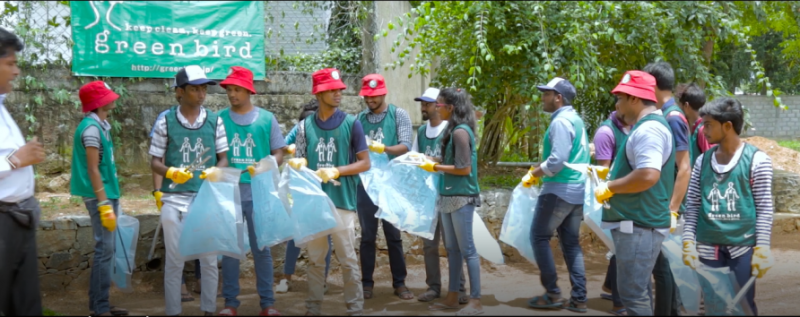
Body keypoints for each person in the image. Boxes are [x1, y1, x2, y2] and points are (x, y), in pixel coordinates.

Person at [682, 97, 774, 316]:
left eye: (708, 124)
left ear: (728, 126)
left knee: (742, 306)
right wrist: (687, 241)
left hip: (742, 248)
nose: (703, 130)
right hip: (707, 247)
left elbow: (764, 208)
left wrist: (762, 248)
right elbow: (693, 205)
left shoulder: (757, 161)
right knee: (714, 306)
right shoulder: (702, 162)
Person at [288, 67, 369, 316]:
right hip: (314, 204)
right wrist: (295, 161)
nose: (337, 93)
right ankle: (313, 308)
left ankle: (355, 309)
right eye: (331, 89)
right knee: (315, 261)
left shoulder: (351, 123)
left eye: (339, 89)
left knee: (348, 260)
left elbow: (365, 163)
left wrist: (337, 170)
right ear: (318, 93)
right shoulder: (304, 128)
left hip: (343, 202)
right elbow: (292, 154)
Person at [149, 65, 229, 316]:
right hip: (173, 198)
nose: (201, 94)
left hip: (205, 197)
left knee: (208, 259)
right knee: (175, 258)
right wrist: (169, 174)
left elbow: (223, 158)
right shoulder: (166, 120)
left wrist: (216, 171)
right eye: (195, 89)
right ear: (179, 92)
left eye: (204, 88)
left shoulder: (215, 120)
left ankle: (208, 310)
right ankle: (173, 311)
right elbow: (155, 161)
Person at [594, 70, 675, 316]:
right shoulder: (647, 127)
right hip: (639, 224)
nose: (617, 105)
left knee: (633, 294)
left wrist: (610, 187)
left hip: (639, 225)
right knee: (636, 292)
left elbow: (648, 175)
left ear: (634, 99)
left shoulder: (648, 130)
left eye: (619, 98)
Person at [216, 66, 286, 316]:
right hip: (230, 191)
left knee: (262, 248)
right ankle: (230, 303)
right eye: (229, 90)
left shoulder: (267, 119)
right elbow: (217, 155)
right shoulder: (219, 118)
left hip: (259, 191)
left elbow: (279, 152)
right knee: (231, 249)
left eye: (236, 89)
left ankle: (268, 303)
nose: (231, 94)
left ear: (248, 91)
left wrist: (267, 164)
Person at [522, 78, 590, 313]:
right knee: (570, 244)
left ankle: (553, 294)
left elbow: (558, 160)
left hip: (559, 190)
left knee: (539, 237)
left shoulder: (561, 121)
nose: (543, 98)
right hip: (577, 191)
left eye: (546, 94)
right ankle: (579, 298)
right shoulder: (576, 119)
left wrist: (536, 172)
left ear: (558, 97)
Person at [417, 88, 483, 316]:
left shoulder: (460, 133)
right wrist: (426, 159)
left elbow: (463, 168)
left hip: (461, 197)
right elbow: (450, 160)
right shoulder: (453, 130)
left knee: (468, 251)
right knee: (453, 250)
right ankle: (452, 296)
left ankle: (475, 301)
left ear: (450, 108)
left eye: (439, 104)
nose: (436, 107)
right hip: (447, 197)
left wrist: (434, 167)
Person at [69, 80, 130, 317]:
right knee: (105, 250)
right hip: (99, 197)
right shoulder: (92, 129)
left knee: (105, 250)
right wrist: (104, 203)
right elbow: (93, 169)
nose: (113, 98)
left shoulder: (101, 125)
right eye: (107, 96)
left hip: (105, 193)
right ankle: (101, 307)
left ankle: (99, 303)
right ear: (99, 102)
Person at [355, 73, 414, 300]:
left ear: (383, 93)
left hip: (391, 184)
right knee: (368, 236)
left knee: (393, 235)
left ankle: (400, 283)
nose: (369, 101)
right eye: (366, 97)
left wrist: (384, 149)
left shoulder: (398, 114)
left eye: (373, 97)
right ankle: (367, 283)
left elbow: (406, 145)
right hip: (366, 185)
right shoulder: (359, 119)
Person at [0, 27, 45, 317]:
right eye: (10, 64)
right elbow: (12, 161)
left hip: (18, 219)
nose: (16, 72)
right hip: (3, 222)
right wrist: (15, 161)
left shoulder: (2, 109)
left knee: (25, 303)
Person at [411, 87, 469, 304]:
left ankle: (459, 288)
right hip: (428, 197)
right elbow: (416, 160)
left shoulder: (450, 130)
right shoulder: (422, 132)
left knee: (453, 245)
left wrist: (431, 162)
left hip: (447, 194)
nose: (423, 107)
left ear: (439, 105)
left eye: (427, 103)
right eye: (422, 103)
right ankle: (433, 287)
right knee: (429, 245)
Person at [150, 102, 210, 303]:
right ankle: (181, 285)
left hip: (200, 192)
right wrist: (158, 191)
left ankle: (201, 281)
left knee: (203, 241)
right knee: (174, 245)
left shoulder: (207, 120)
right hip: (174, 194)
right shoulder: (165, 120)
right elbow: (159, 159)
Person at [276, 99, 334, 295]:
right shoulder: (300, 127)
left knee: (324, 234)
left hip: (325, 186)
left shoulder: (330, 129)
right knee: (296, 234)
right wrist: (290, 149)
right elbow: (282, 146)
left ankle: (321, 280)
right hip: (302, 187)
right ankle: (286, 277)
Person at [643, 61, 685, 316]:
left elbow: (685, 167)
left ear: (653, 84)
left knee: (662, 267)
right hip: (662, 203)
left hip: (667, 206)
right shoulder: (666, 114)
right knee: (662, 266)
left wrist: (672, 209)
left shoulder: (672, 117)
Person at [592, 97, 630, 316]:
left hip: (628, 196)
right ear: (618, 106)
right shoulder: (606, 133)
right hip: (614, 199)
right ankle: (619, 303)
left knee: (620, 248)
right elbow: (602, 173)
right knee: (620, 249)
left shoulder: (632, 126)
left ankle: (610, 287)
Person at [677, 83, 712, 165]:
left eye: (680, 105)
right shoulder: (695, 128)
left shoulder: (702, 131)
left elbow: (710, 162)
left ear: (686, 106)